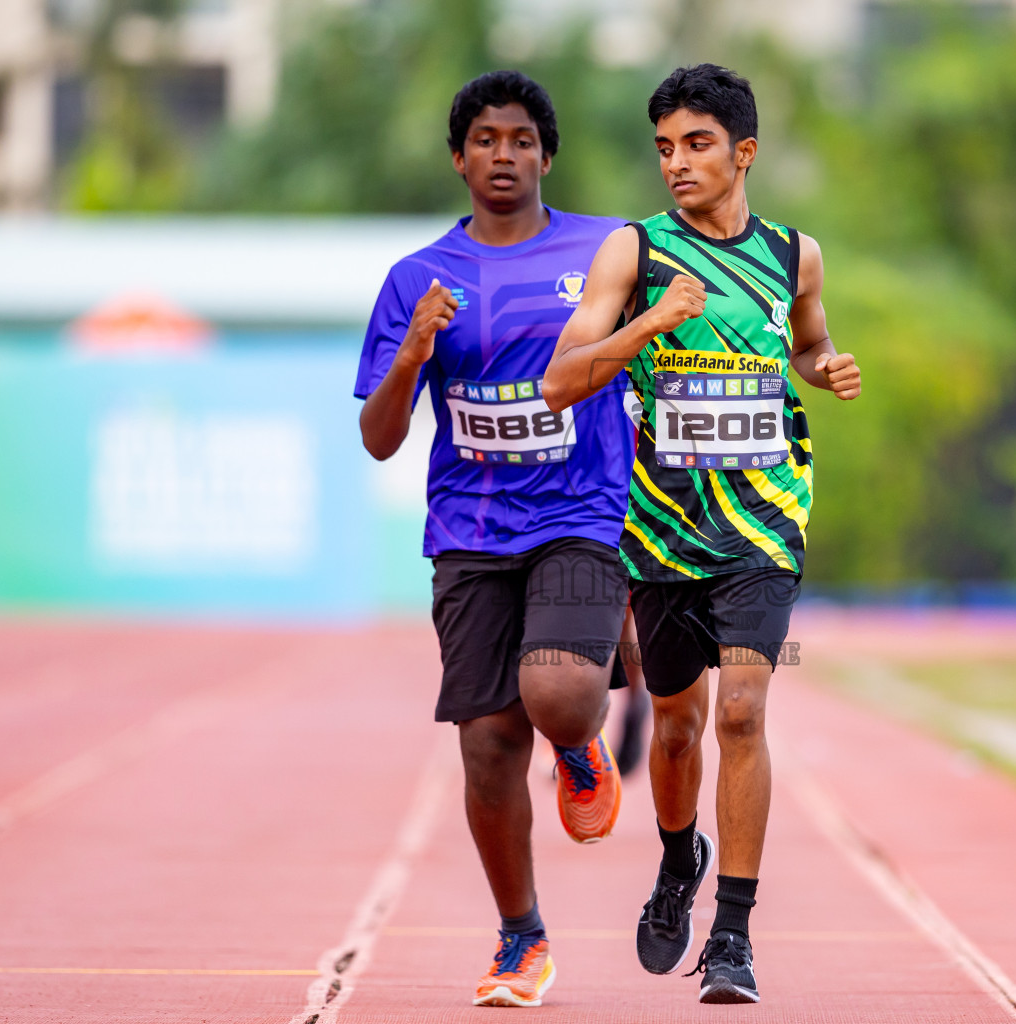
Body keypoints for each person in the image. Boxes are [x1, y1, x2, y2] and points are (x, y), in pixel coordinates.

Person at [543, 63, 862, 1005]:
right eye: (664, 149)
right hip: (661, 527)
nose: (676, 165)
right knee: (677, 726)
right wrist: (650, 323)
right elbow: (563, 380)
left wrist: (825, 367)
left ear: (744, 152)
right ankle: (680, 856)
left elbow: (803, 343)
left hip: (763, 521)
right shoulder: (631, 255)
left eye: (696, 145)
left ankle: (732, 936)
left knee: (745, 712)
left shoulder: (795, 253)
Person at [355, 70, 636, 1009]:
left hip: (581, 512)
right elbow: (383, 437)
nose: (503, 154)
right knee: (484, 747)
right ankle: (522, 938)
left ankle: (582, 740)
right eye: (485, 139)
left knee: (554, 694)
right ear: (458, 157)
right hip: (470, 531)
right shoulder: (416, 281)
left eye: (521, 139)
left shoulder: (607, 252)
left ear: (546, 155)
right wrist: (409, 358)